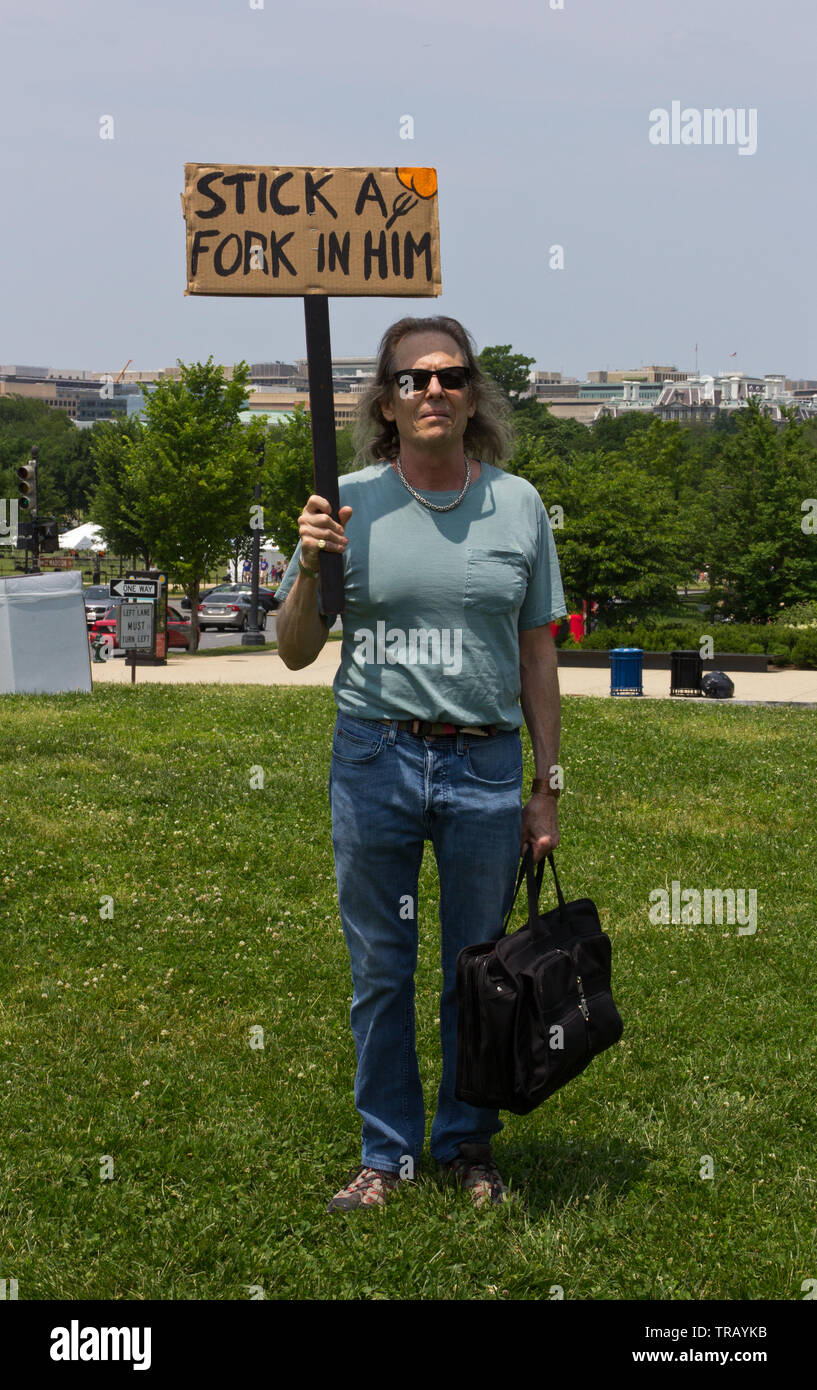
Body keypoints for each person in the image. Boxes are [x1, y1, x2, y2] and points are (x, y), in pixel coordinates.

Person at [275, 315, 567, 1212]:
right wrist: (307, 566)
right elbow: (293, 650)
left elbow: (537, 654)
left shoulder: (518, 504)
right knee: (380, 969)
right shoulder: (343, 504)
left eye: (450, 376)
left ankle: (466, 1145)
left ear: (473, 396)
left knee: (478, 970)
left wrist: (546, 787)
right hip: (376, 756)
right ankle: (385, 1154)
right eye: (413, 379)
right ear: (386, 403)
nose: (433, 390)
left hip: (486, 765)